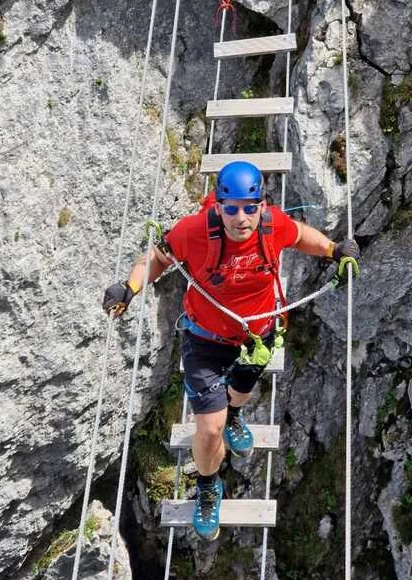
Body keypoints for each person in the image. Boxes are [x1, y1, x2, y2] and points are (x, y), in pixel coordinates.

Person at [102, 160, 360, 541]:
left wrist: (333, 249)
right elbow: (156, 258)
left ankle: (236, 411)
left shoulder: (272, 224)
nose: (242, 217)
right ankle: (209, 486)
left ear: (261, 204)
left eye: (250, 207)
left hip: (256, 336)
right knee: (209, 429)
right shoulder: (194, 232)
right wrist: (129, 288)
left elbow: (300, 235)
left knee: (241, 389)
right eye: (233, 207)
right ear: (218, 205)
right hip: (205, 339)